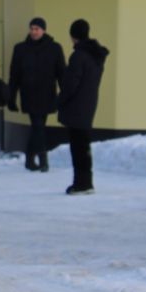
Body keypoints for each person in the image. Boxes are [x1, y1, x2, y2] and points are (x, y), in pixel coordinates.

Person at [57, 19, 108, 196]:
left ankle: (81, 183)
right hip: (89, 103)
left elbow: (71, 84)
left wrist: (60, 100)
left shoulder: (79, 56)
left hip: (76, 106)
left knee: (77, 146)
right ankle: (86, 181)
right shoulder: (96, 56)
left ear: (73, 35)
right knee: (84, 146)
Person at [7, 17, 64, 172]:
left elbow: (61, 73)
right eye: (31, 28)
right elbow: (15, 75)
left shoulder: (54, 48)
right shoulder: (21, 49)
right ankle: (43, 159)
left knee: (38, 126)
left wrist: (64, 95)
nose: (33, 32)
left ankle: (29, 158)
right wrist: (11, 96)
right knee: (38, 125)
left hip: (47, 94)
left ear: (43, 30)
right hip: (29, 94)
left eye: (37, 29)